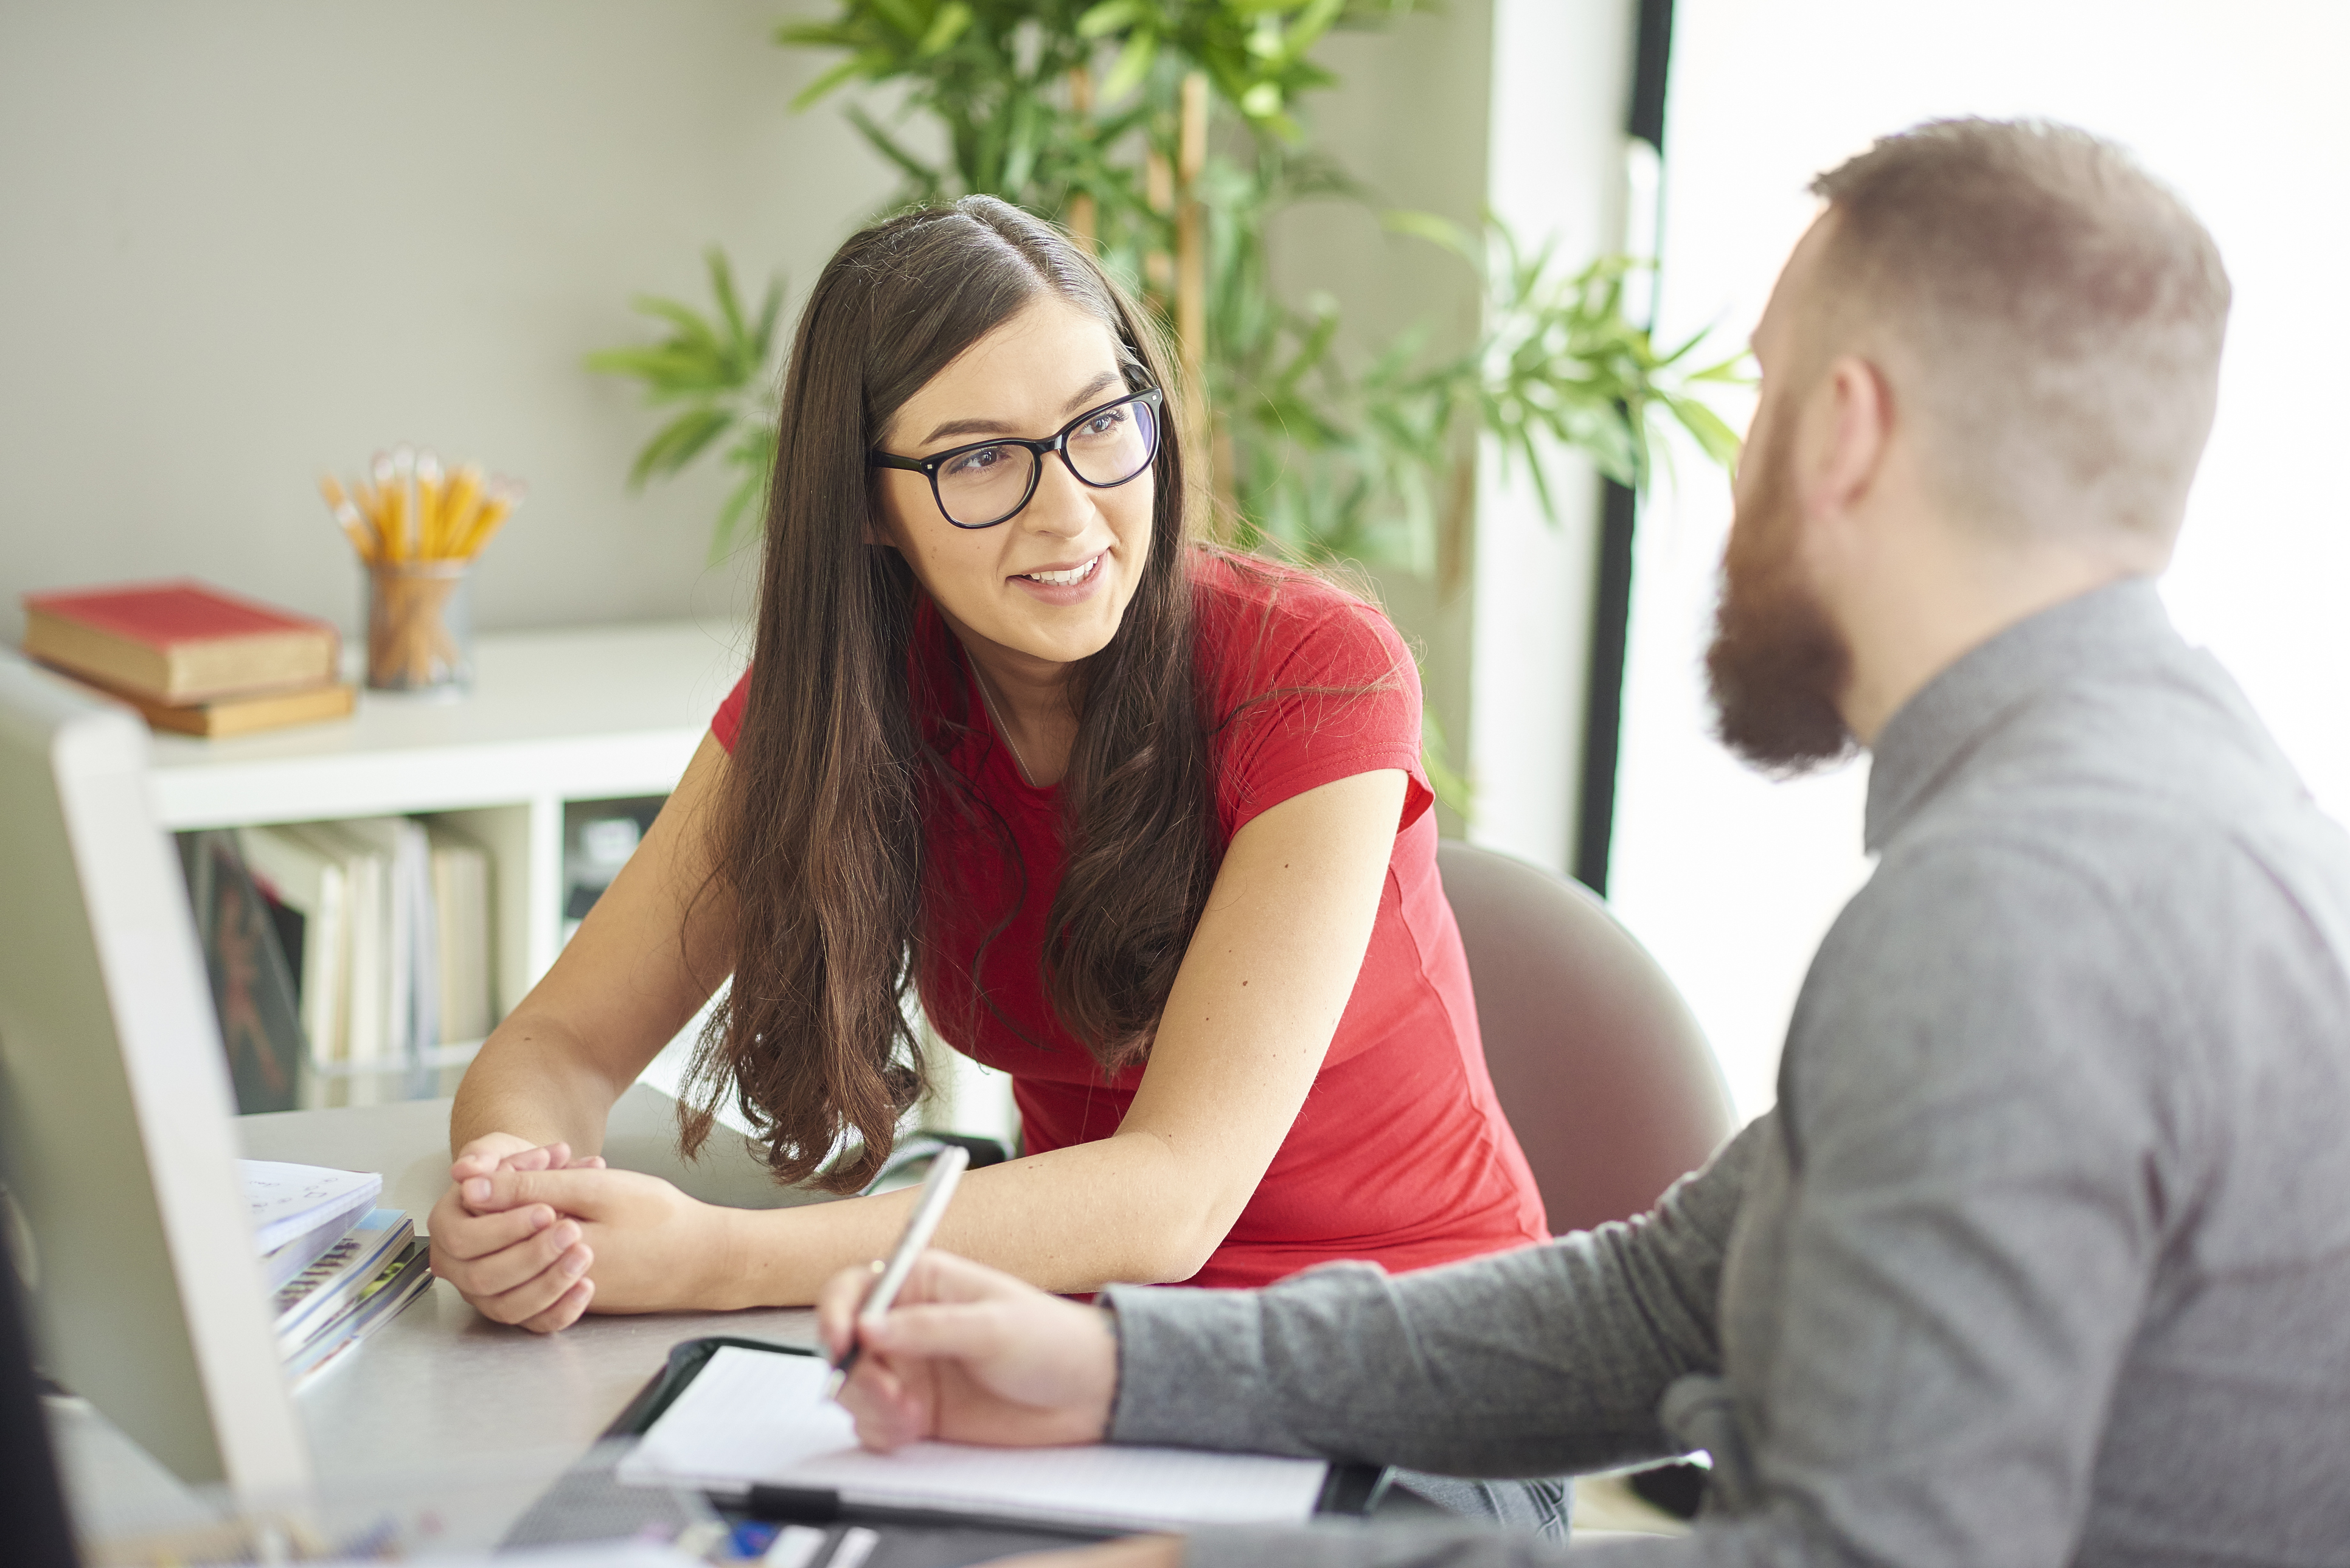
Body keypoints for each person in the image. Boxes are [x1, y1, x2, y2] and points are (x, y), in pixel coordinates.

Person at [812, 119, 2350, 1566]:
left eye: (1758, 394)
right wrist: (1115, 1363)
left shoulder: (2024, 921)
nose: (1731, 467)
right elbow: (1667, 1296)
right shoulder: (2163, 806)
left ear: (1847, 430)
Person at [425, 199, 1547, 1337]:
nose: (1070, 516)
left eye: (1100, 423)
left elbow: (1175, 1195)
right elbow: (555, 1045)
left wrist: (715, 1256)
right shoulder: (844, 709)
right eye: (979, 458)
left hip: (1428, 1352)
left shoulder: (1312, 672)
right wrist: (518, 1197)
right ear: (868, 504)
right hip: (1085, 1344)